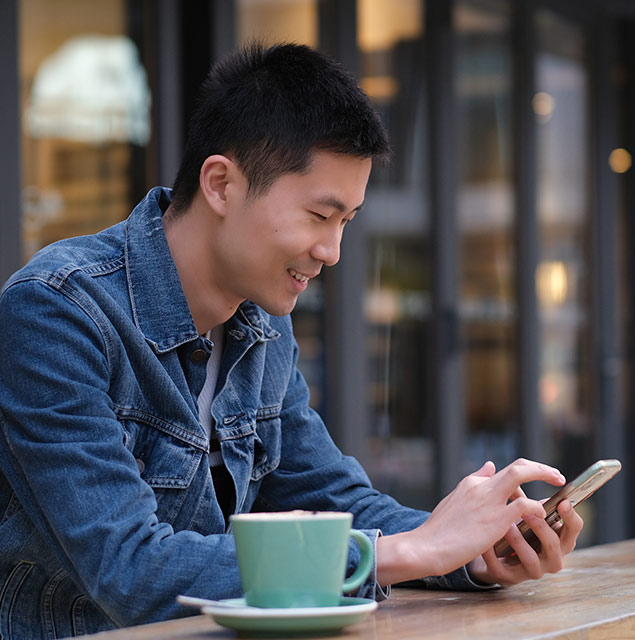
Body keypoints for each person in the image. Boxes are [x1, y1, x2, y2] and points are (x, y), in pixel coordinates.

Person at [0, 42, 582, 638]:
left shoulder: (262, 324)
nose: (331, 252)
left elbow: (332, 498)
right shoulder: (56, 312)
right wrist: (405, 552)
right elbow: (130, 569)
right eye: (318, 216)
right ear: (222, 184)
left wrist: (477, 551)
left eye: (346, 222)